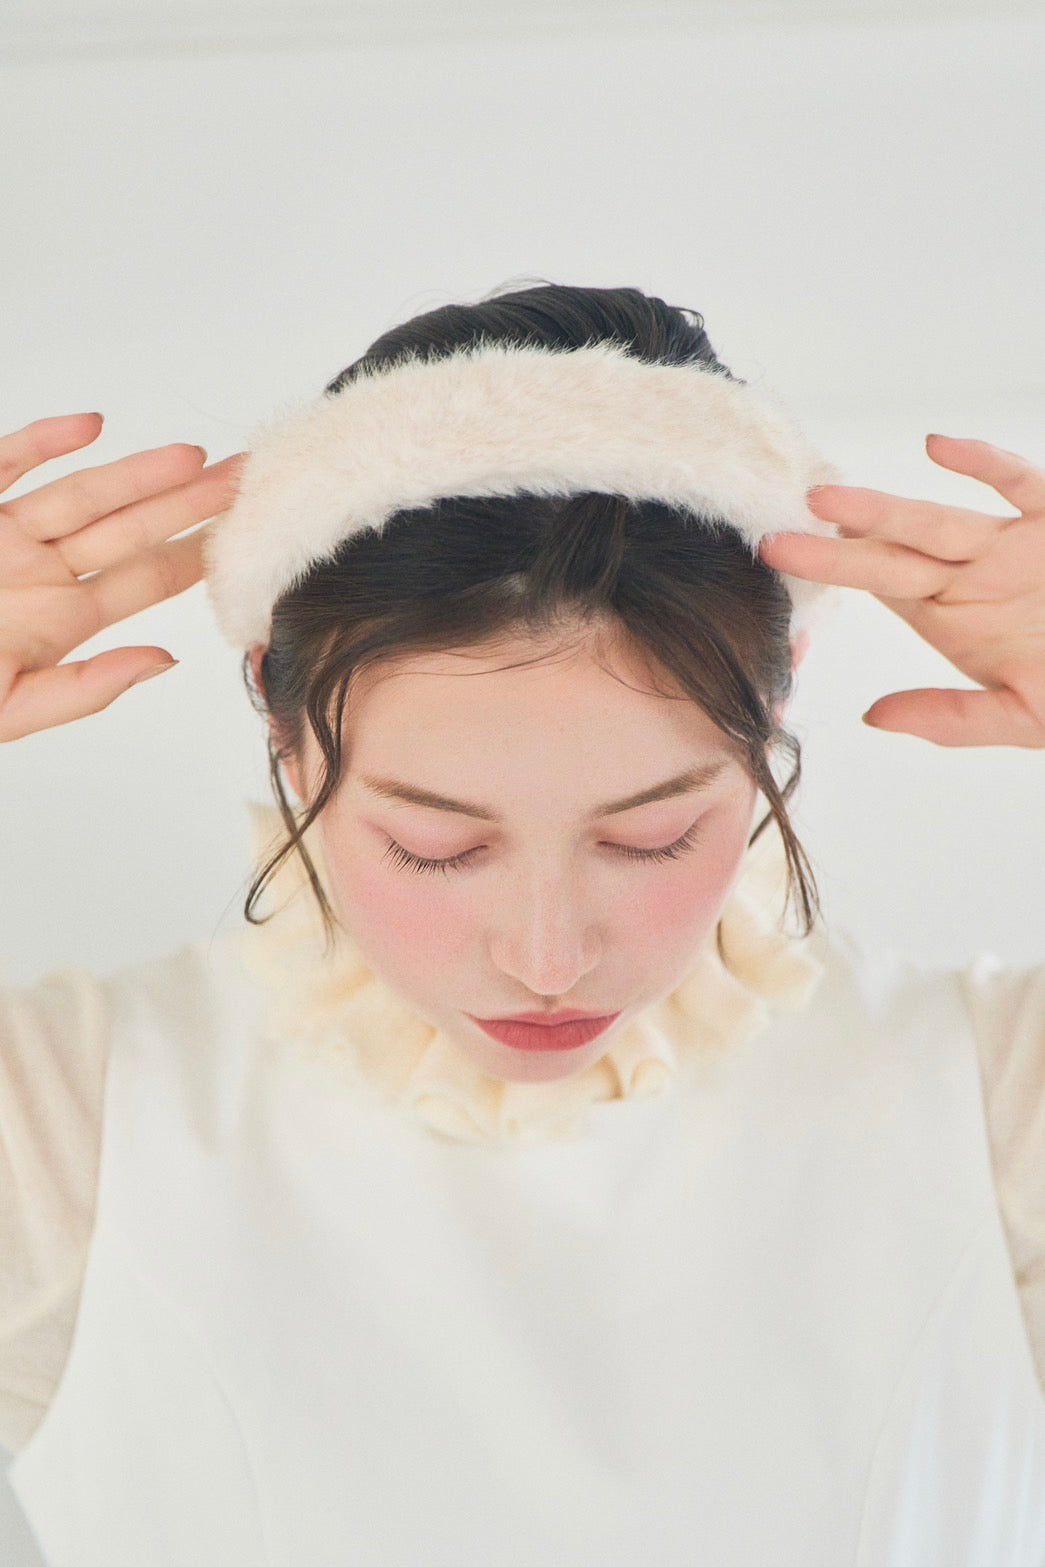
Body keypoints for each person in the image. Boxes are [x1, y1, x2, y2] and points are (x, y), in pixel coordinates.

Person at [0, 281, 1043, 1566]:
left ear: (776, 714)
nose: (546, 957)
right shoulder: (62, 1131)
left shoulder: (996, 1113)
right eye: (436, 846)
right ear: (281, 727)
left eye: (649, 836)